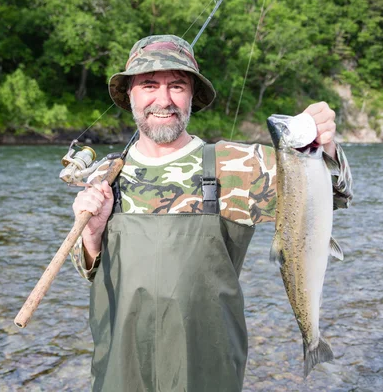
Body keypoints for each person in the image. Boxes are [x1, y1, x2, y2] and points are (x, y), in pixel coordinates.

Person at [69, 35, 353, 391]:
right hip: (120, 368)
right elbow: (88, 270)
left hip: (207, 373)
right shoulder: (104, 176)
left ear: (192, 96)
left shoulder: (239, 165)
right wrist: (91, 234)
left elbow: (335, 196)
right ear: (129, 95)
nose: (163, 99)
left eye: (177, 86)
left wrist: (325, 147)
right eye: (148, 85)